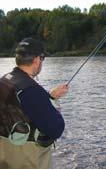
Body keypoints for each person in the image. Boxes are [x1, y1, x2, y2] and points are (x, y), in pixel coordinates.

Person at [0, 37, 69, 169]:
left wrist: (49, 96)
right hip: (26, 161)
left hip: (5, 157)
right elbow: (56, 129)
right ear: (37, 60)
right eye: (42, 59)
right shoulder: (31, 90)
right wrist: (52, 103)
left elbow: (21, 107)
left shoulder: (5, 80)